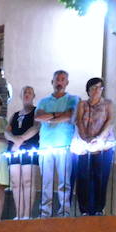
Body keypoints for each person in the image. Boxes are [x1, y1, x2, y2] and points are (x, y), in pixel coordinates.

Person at [36, 71, 80, 217]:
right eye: (57, 80)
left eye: (62, 79)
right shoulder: (43, 101)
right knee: (46, 182)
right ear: (52, 82)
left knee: (64, 182)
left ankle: (64, 212)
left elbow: (69, 115)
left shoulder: (73, 99)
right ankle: (45, 212)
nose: (59, 82)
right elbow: (38, 117)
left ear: (67, 83)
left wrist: (49, 117)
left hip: (64, 145)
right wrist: (57, 115)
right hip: (45, 146)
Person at [73, 77, 116, 217]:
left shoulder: (108, 104)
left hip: (103, 146)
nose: (97, 90)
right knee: (83, 178)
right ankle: (84, 210)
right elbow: (79, 121)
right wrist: (86, 138)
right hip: (84, 146)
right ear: (88, 90)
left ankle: (98, 208)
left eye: (99, 87)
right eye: (93, 88)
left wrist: (99, 138)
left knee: (100, 177)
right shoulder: (82, 104)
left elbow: (110, 121)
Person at [7, 86, 40, 220]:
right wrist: (14, 140)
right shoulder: (15, 115)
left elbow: (36, 127)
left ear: (33, 96)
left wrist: (19, 140)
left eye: (29, 92)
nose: (27, 94)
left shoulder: (37, 111)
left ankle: (27, 215)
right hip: (14, 151)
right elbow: (7, 131)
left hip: (29, 149)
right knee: (15, 183)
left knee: (28, 182)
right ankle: (18, 214)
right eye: (24, 92)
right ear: (21, 95)